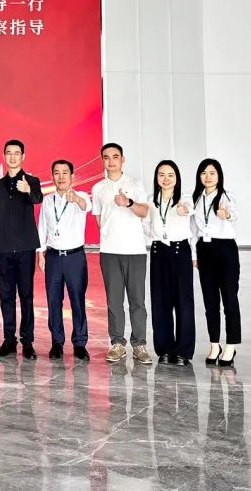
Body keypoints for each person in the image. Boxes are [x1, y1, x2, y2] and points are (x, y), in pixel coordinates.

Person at [91, 143, 153, 365]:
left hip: (135, 250)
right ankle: (117, 343)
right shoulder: (98, 188)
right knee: (114, 301)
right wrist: (110, 235)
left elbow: (144, 211)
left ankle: (139, 345)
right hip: (110, 252)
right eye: (106, 157)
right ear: (102, 160)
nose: (111, 161)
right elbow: (99, 219)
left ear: (123, 159)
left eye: (115, 157)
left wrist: (128, 203)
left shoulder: (135, 184)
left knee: (137, 300)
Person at [0, 139, 43, 360]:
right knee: (6, 296)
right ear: (4, 156)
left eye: (16, 153)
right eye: (9, 153)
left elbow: (38, 199)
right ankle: (9, 341)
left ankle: (27, 342)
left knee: (26, 295)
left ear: (23, 156)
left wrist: (28, 190)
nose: (12, 157)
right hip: (3, 248)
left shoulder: (32, 181)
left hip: (25, 248)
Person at [37, 159, 91, 362]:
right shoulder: (47, 200)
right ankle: (57, 342)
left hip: (75, 257)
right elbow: (42, 226)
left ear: (72, 176)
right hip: (53, 257)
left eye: (65, 173)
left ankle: (80, 343)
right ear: (52, 176)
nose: (60, 177)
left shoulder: (81, 197)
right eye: (57, 173)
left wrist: (75, 199)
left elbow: (86, 206)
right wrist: (40, 253)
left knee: (77, 299)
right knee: (53, 300)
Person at [191, 158, 241, 368]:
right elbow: (193, 231)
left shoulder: (226, 197)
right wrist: (194, 256)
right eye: (204, 173)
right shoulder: (196, 199)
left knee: (229, 298)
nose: (208, 177)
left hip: (225, 250)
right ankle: (214, 345)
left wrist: (225, 214)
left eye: (212, 173)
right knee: (210, 301)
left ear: (219, 176)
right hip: (205, 251)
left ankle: (231, 345)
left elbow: (234, 215)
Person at [148, 159, 196, 366]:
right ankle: (165, 350)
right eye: (161, 175)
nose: (166, 179)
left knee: (183, 302)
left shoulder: (185, 199)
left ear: (177, 178)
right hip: (158, 251)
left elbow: (190, 214)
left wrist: (184, 210)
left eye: (170, 175)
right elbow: (146, 224)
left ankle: (183, 351)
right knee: (160, 302)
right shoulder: (151, 200)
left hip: (180, 251)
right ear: (156, 178)